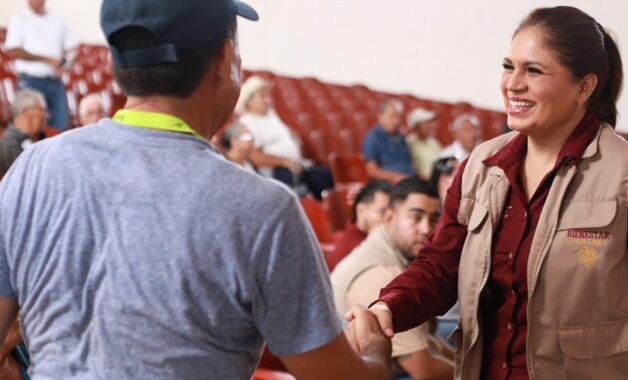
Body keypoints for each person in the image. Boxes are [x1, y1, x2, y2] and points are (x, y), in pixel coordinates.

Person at [0, 1, 392, 379]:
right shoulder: (262, 209)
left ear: (113, 64)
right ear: (226, 59)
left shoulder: (30, 170)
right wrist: (376, 349)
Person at [349, 6, 628, 380]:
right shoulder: (480, 166)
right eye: (509, 66)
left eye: (534, 70)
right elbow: (439, 268)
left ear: (584, 87)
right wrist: (389, 307)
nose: (512, 83)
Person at [332, 178, 452, 380]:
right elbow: (424, 370)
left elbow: (429, 339)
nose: (426, 229)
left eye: (434, 219)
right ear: (389, 217)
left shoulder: (390, 246)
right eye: (416, 217)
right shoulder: (382, 274)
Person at [236, 75, 334, 198]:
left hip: (297, 165)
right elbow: (255, 157)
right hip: (276, 171)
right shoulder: (246, 123)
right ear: (248, 101)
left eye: (268, 96)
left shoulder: (272, 116)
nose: (268, 100)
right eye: (262, 96)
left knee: (325, 176)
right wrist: (285, 161)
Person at [4, 0, 78, 132]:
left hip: (54, 81)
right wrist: (46, 59)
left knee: (60, 126)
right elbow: (13, 50)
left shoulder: (58, 19)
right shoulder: (19, 19)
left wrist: (66, 63)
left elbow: (72, 46)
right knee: (29, 128)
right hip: (30, 81)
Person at [326, 181, 391, 272]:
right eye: (382, 212)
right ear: (360, 210)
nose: (388, 220)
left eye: (391, 214)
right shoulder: (350, 252)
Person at [363, 100, 415, 184]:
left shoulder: (401, 137)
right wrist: (395, 177)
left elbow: (410, 164)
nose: (396, 121)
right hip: (391, 184)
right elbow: (371, 170)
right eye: (392, 116)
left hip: (410, 180)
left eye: (398, 117)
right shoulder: (373, 138)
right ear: (381, 117)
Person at [0, 89, 47, 176]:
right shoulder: (9, 145)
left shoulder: (39, 139)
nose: (46, 115)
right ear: (26, 112)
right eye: (41, 110)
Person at [406, 107, 442, 179]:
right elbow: (410, 168)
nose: (430, 126)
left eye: (430, 123)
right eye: (426, 124)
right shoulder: (409, 144)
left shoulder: (434, 142)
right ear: (416, 126)